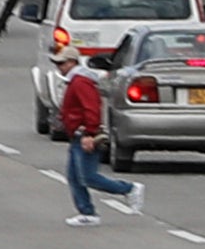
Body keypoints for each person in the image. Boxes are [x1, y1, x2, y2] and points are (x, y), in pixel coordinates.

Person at [55, 46, 141, 226]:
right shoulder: (76, 80)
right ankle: (87, 213)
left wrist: (89, 132)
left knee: (88, 177)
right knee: (74, 176)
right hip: (77, 134)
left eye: (62, 63)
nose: (58, 66)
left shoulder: (80, 81)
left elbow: (92, 108)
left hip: (84, 134)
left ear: (72, 62)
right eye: (57, 63)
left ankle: (129, 189)